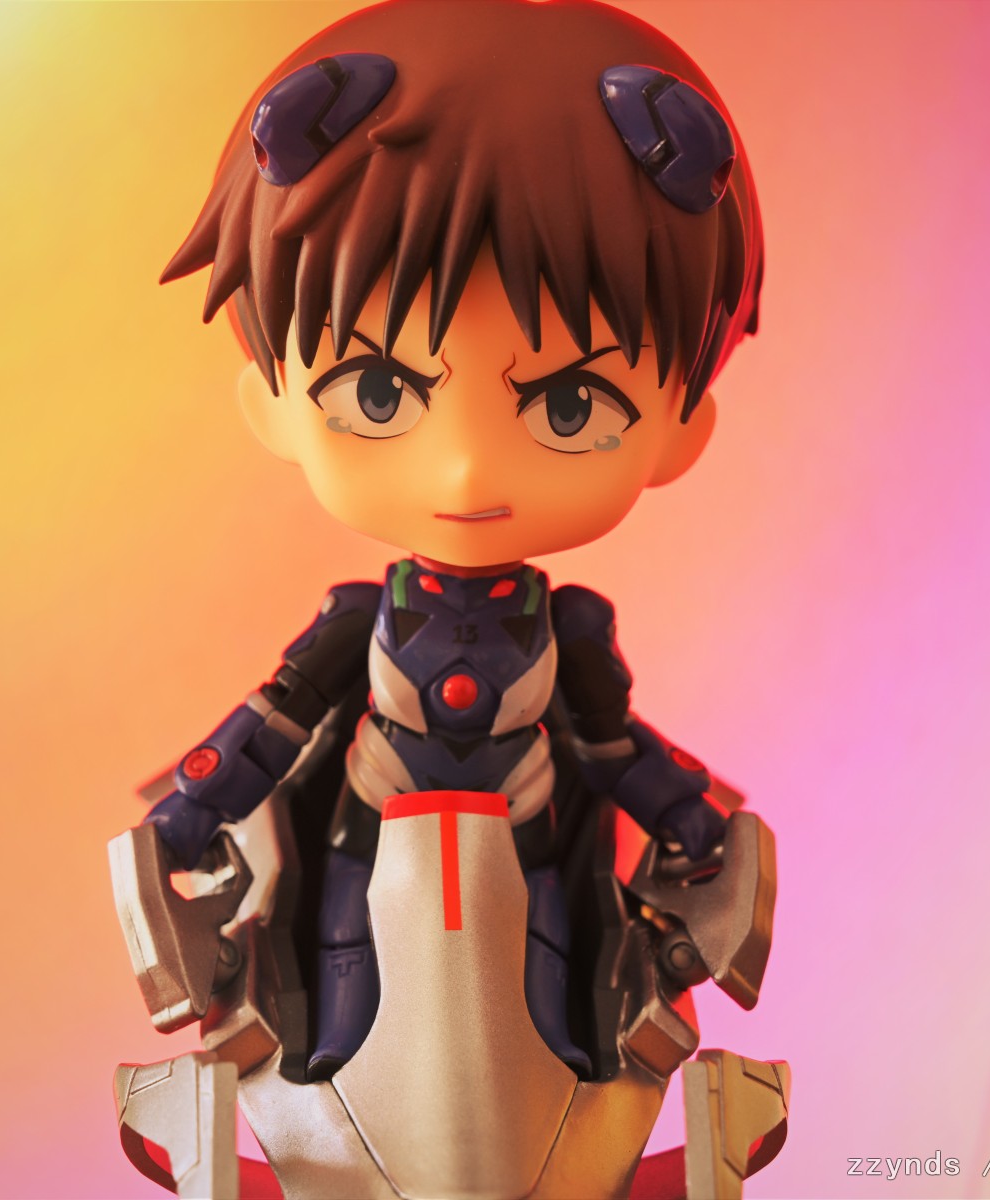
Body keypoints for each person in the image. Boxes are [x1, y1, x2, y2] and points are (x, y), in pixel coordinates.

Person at [145, 0, 764, 1082]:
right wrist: (197, 806)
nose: (466, 471)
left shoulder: (569, 632)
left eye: (567, 406)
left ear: (680, 431)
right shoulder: (359, 623)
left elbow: (611, 749)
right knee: (338, 1030)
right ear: (272, 405)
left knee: (555, 1040)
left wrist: (690, 819)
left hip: (528, 863)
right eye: (379, 391)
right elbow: (273, 724)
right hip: (367, 847)